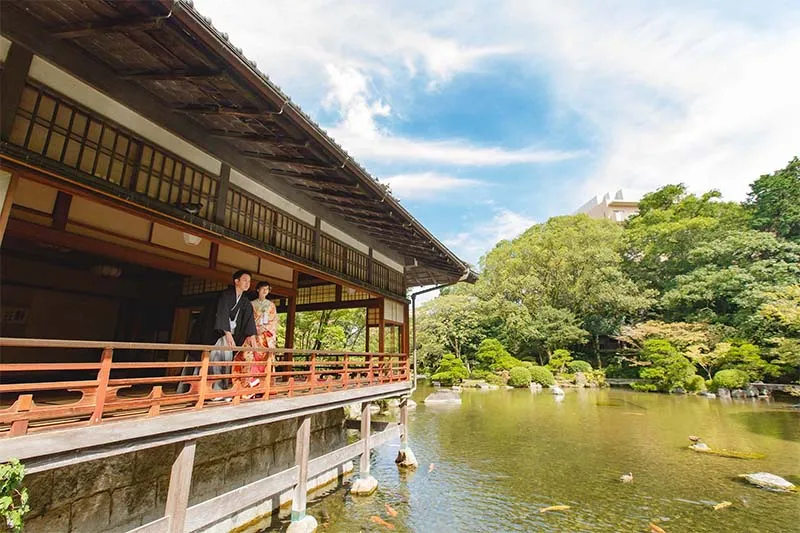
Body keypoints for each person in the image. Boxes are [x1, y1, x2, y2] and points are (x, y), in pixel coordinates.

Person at [178, 270, 257, 393]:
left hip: (226, 334)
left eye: (249, 281)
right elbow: (222, 313)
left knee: (225, 359)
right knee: (212, 359)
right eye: (245, 280)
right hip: (212, 331)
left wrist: (252, 336)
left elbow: (249, 319)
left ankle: (220, 389)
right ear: (236, 281)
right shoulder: (225, 295)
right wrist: (228, 334)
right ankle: (208, 389)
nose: (247, 283)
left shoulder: (245, 301)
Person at [233, 281, 278, 394]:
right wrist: (255, 330)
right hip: (253, 335)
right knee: (249, 357)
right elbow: (247, 320)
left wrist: (265, 329)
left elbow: (274, 321)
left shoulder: (271, 305)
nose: (265, 291)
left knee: (265, 361)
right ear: (258, 290)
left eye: (267, 289)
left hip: (266, 338)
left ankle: (264, 386)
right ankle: (249, 386)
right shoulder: (251, 304)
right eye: (263, 288)